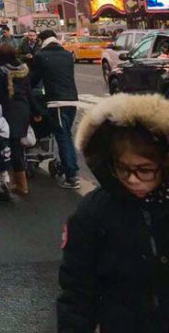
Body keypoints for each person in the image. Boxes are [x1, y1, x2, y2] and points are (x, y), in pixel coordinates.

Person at [57, 93, 169, 332]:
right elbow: (77, 291)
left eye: (144, 170)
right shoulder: (93, 213)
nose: (132, 180)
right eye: (122, 168)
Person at [31, 29, 80, 189]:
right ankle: (72, 170)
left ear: (41, 40)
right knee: (67, 135)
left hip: (56, 102)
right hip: (72, 100)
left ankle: (71, 176)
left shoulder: (41, 56)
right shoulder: (67, 54)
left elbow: (34, 80)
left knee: (62, 136)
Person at [0, 44, 35, 196]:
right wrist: (35, 111)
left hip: (7, 112)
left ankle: (18, 185)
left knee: (9, 148)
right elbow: (29, 93)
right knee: (17, 147)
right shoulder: (24, 69)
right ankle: (18, 182)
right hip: (23, 111)